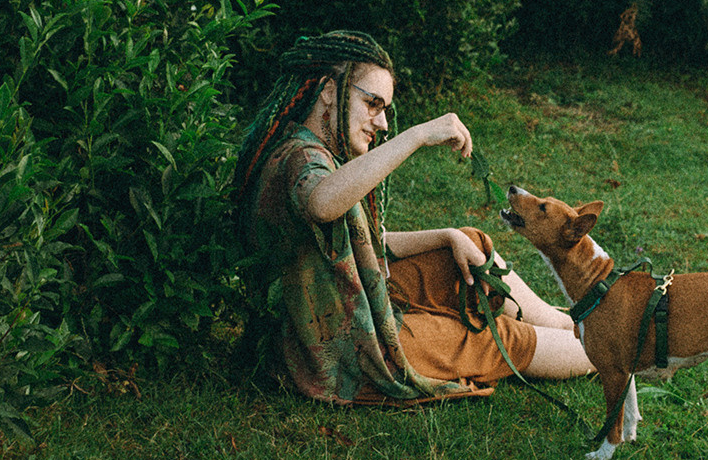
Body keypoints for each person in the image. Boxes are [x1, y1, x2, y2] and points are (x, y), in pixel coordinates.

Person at [234, 31, 594, 406]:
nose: (382, 123)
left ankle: (571, 323)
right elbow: (321, 205)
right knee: (492, 338)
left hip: (352, 303)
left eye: (385, 109)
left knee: (470, 245)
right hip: (341, 346)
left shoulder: (316, 152)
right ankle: (610, 348)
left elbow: (361, 241)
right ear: (328, 90)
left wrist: (447, 236)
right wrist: (417, 136)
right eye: (372, 103)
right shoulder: (301, 158)